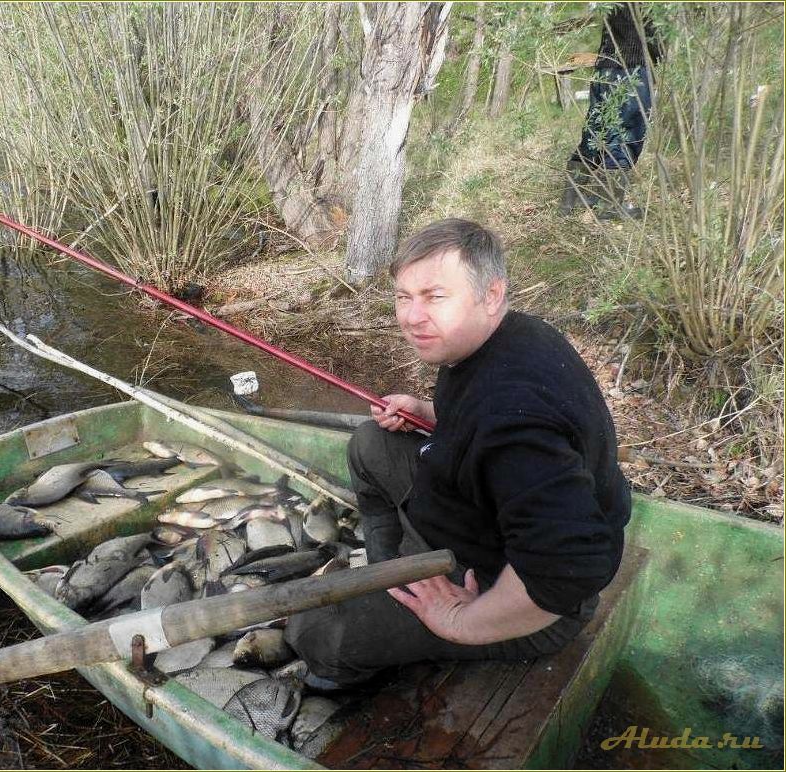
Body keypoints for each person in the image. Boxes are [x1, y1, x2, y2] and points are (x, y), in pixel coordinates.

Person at [284, 218, 631, 688]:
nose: (411, 316)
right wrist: (429, 410)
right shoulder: (512, 337)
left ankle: (402, 621)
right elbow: (484, 420)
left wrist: (460, 622)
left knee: (316, 629)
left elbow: (566, 572)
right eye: (404, 297)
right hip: (475, 522)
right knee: (371, 443)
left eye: (434, 297)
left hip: (524, 599)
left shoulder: (515, 425)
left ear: (491, 294)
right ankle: (394, 572)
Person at [560, 3, 664, 218]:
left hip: (604, 68)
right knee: (625, 138)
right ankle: (609, 207)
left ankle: (570, 201)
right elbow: (654, 33)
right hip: (631, 69)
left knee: (594, 135)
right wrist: (662, 56)